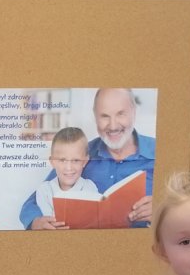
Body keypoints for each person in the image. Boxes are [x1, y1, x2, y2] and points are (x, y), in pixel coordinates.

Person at [21, 88, 155, 230]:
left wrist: (162, 208)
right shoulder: (79, 154)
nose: (113, 126)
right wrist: (36, 222)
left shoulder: (160, 151)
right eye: (104, 116)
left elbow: (173, 206)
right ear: (95, 117)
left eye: (121, 114)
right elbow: (32, 203)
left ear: (134, 112)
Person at [33, 127, 100, 218]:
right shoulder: (45, 190)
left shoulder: (89, 187)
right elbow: (50, 223)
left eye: (76, 160)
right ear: (52, 162)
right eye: (62, 160)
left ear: (85, 161)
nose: (69, 168)